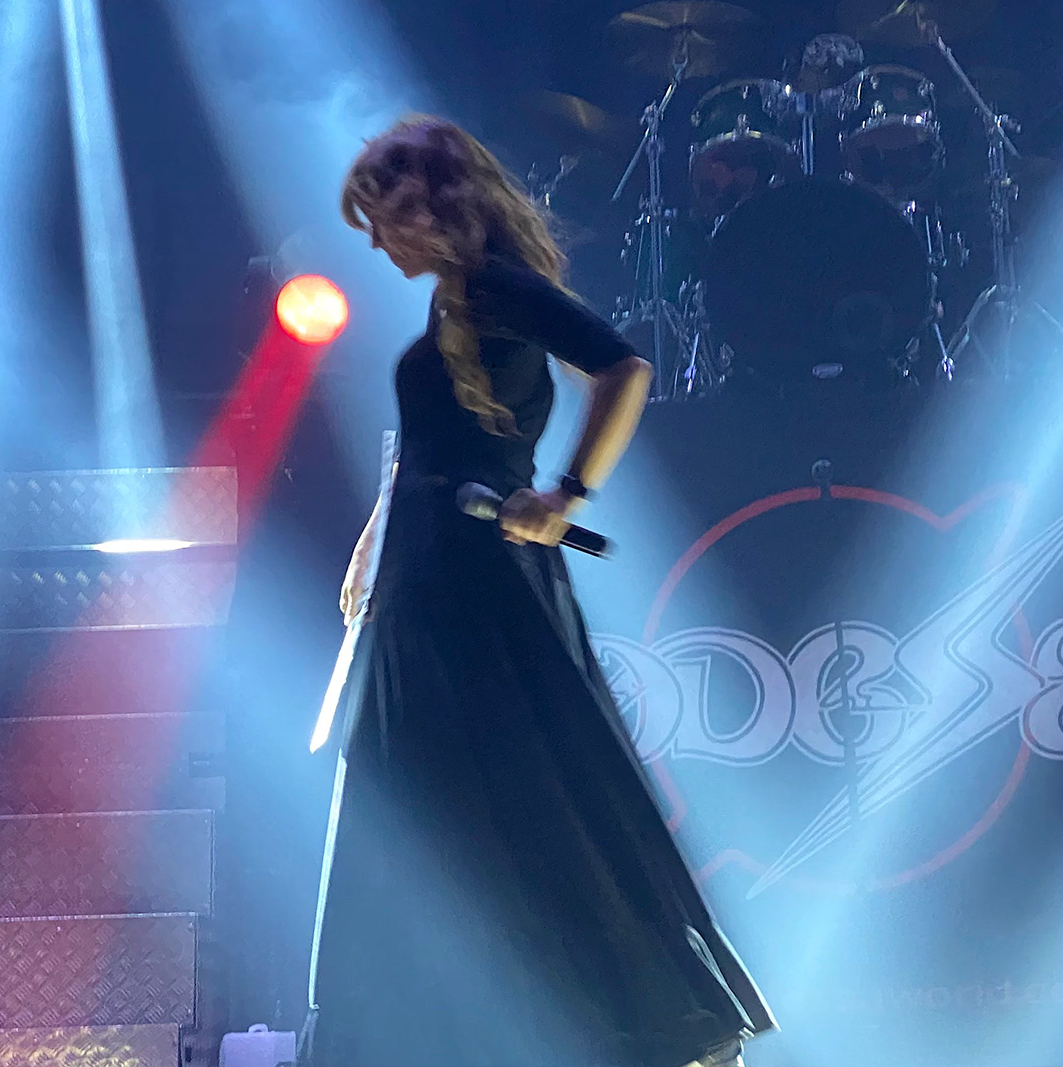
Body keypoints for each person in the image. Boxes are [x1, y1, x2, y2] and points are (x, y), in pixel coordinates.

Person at [303, 116, 776, 1067]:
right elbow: (432, 453)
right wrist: (371, 544)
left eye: (381, 221)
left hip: (473, 585)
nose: (375, 244)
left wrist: (567, 493)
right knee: (453, 804)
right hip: (427, 577)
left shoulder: (497, 289)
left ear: (426, 208)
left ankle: (630, 1022)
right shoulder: (455, 307)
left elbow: (622, 367)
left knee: (527, 793)